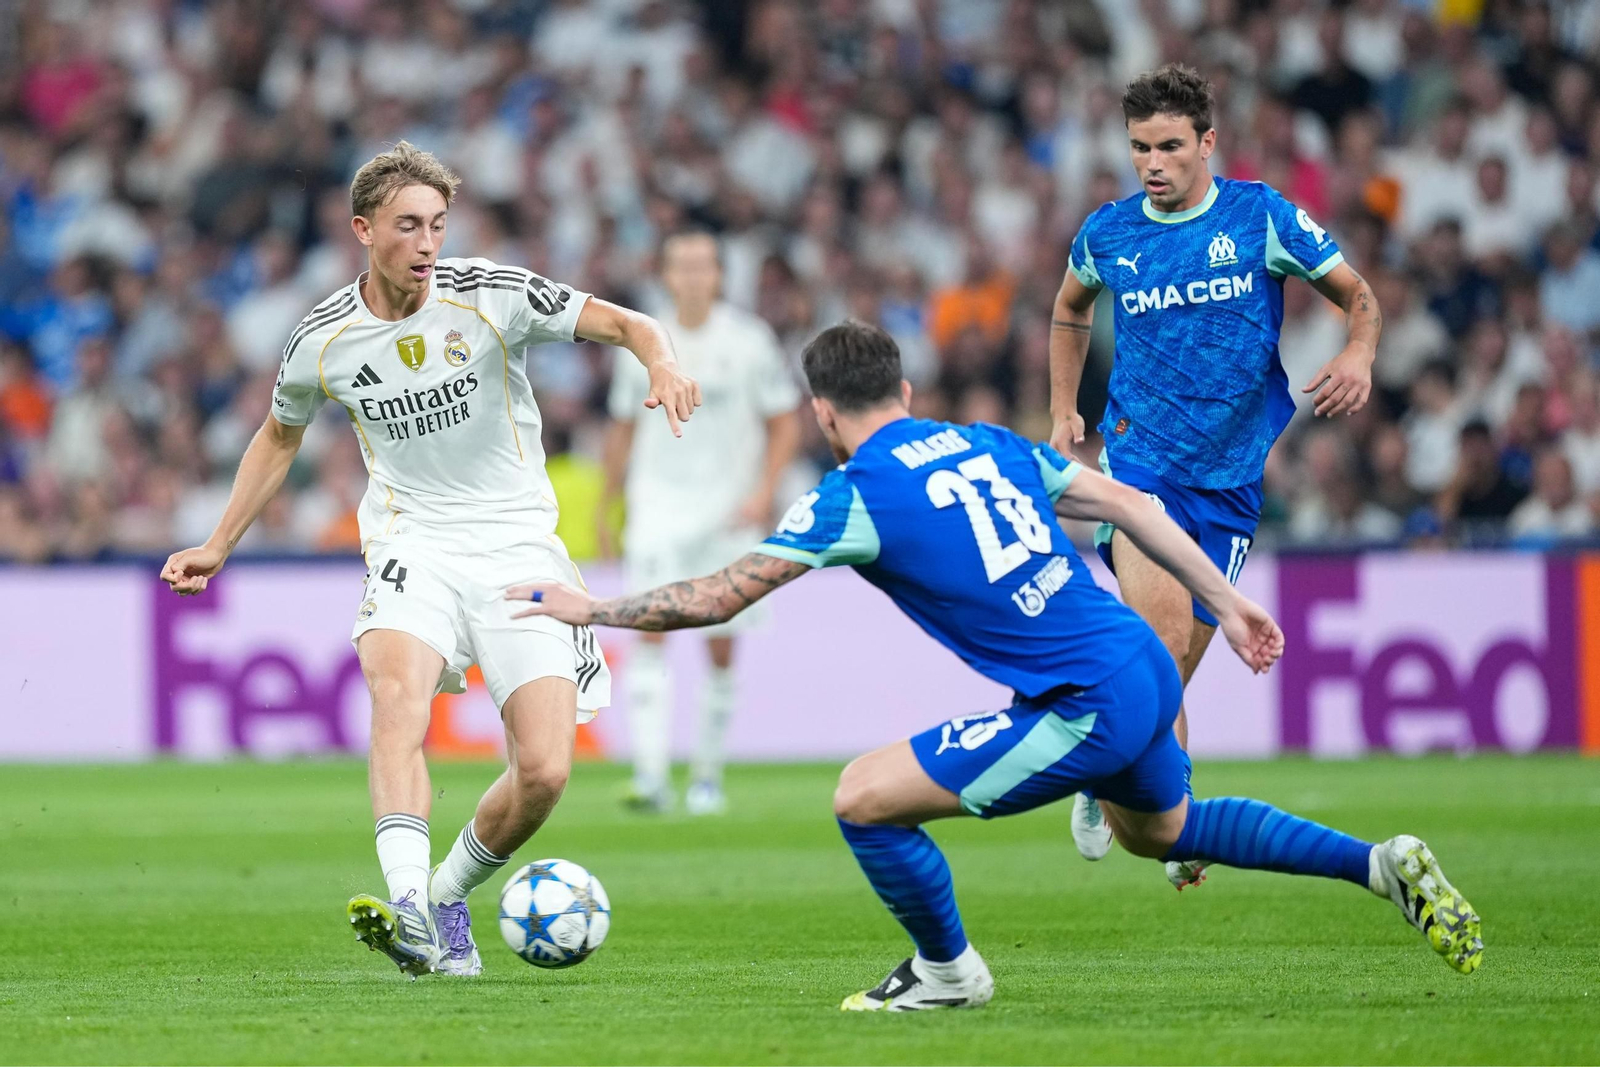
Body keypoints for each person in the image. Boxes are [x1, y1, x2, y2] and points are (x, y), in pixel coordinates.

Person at [511, 321, 1481, 1011]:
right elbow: (1135, 507)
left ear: (820, 413)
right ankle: (1376, 863)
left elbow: (722, 593)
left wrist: (590, 606)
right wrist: (1222, 601)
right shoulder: (991, 444)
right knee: (1165, 831)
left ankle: (946, 972)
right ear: (905, 391)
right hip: (1142, 663)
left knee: (860, 795)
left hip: (1083, 700)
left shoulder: (854, 492)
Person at [159, 142, 701, 979]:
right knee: (397, 698)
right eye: (408, 225)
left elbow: (629, 322)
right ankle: (407, 905)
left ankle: (449, 894)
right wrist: (218, 542)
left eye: (437, 226)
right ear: (363, 229)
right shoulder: (322, 337)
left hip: (520, 549)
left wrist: (661, 359)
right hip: (413, 543)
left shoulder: (492, 295)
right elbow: (279, 434)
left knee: (546, 770)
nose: (426, 242)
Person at [1047, 65, 1383, 888]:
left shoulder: (1260, 216)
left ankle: (1118, 771)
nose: (1152, 163)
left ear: (1207, 143)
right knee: (1159, 647)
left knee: (1173, 670)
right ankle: (1170, 806)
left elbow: (1358, 294)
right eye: (1138, 148)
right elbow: (1068, 308)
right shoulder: (1110, 231)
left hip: (1231, 482)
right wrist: (1064, 410)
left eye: (1168, 146)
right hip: (1140, 467)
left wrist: (1359, 349)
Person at [599, 230, 801, 815]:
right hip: (657, 506)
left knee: (720, 645)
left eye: (701, 265)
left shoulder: (749, 340)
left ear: (718, 275)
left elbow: (784, 420)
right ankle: (651, 775)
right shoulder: (643, 338)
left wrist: (764, 491)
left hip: (726, 512)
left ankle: (707, 775)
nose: (690, 276)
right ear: (664, 275)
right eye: (680, 265)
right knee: (648, 634)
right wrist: (608, 502)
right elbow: (621, 427)